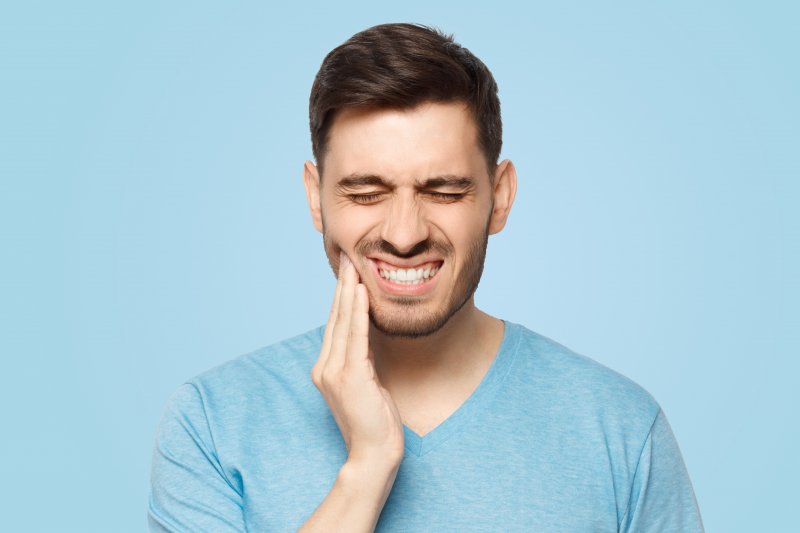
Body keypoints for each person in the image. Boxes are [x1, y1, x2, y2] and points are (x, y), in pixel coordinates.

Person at [148, 23, 704, 532]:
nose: (405, 233)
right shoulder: (212, 425)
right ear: (315, 199)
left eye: (444, 191)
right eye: (366, 193)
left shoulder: (622, 430)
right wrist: (366, 468)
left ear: (500, 196)